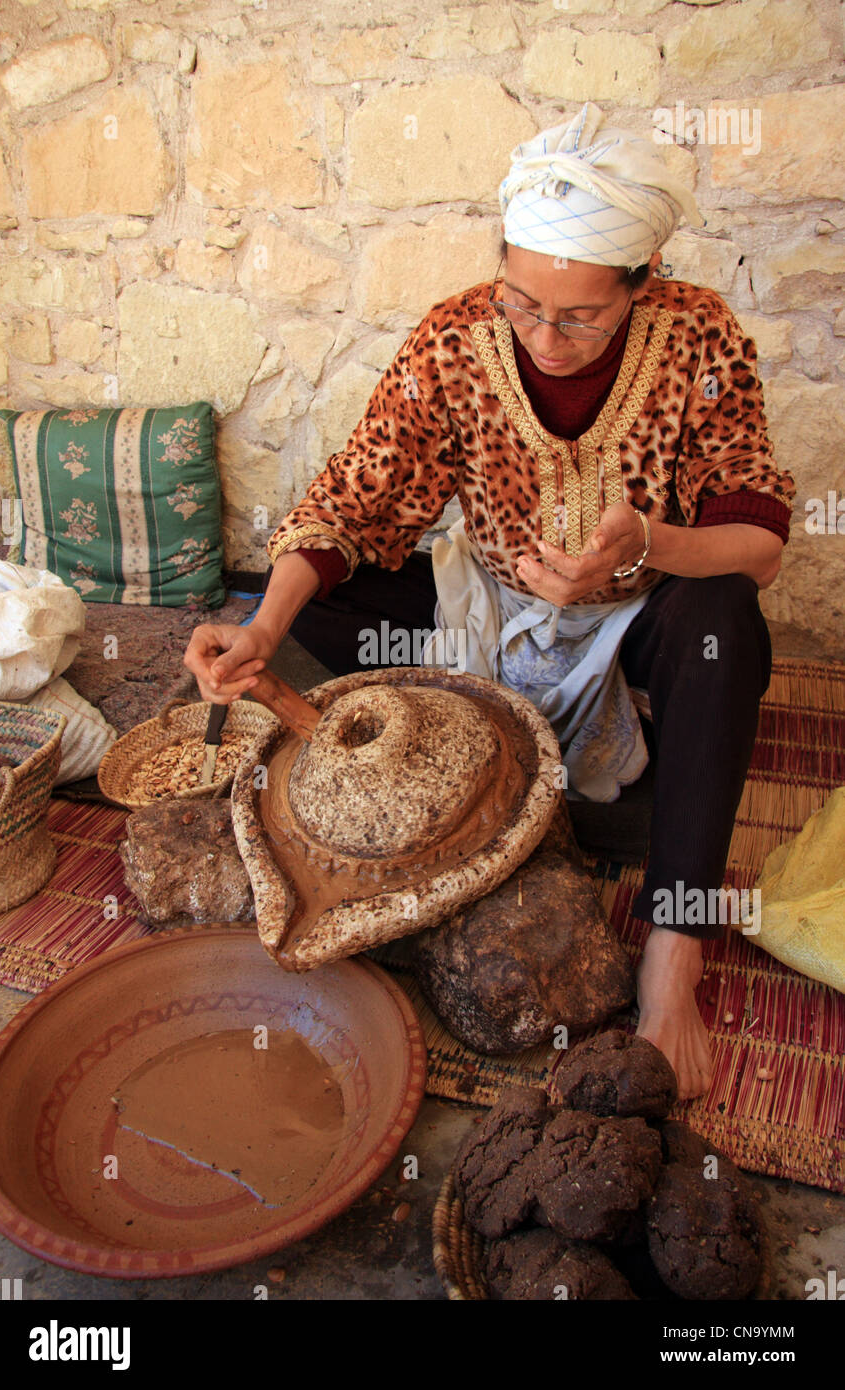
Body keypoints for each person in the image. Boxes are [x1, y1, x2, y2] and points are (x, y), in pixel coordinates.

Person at [184, 103, 795, 1100]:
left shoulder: (698, 337)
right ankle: (510, 721)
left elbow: (760, 541)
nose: (543, 335)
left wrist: (648, 544)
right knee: (313, 593)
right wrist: (260, 627)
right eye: (520, 303)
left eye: (578, 315)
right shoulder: (454, 337)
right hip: (493, 603)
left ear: (641, 287)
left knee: (724, 620)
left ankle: (674, 945)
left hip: (640, 609)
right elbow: (354, 494)